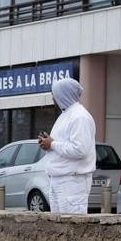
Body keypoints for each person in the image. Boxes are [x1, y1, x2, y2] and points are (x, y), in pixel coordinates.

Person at [38, 78, 96, 214]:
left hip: (72, 181)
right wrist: (48, 143)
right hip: (60, 179)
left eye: (55, 94)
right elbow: (61, 144)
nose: (53, 98)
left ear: (64, 94)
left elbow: (80, 150)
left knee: (72, 227)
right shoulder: (66, 115)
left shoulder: (79, 117)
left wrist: (52, 143)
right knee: (60, 227)